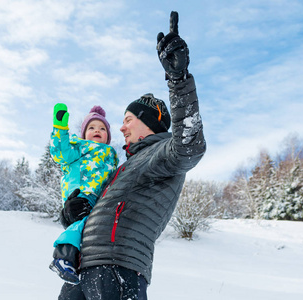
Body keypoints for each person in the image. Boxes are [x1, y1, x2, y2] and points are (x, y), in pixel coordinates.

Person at [56, 11, 206, 299]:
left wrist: (179, 80)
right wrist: (72, 211)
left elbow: (190, 145)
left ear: (147, 121)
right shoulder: (125, 168)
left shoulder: (163, 154)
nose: (121, 127)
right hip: (85, 268)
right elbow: (94, 213)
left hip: (118, 266)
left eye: (128, 119)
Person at [49, 104, 119, 285]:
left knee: (90, 231)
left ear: (108, 136)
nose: (98, 130)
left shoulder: (111, 155)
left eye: (102, 128)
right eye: (92, 127)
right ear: (84, 133)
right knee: (81, 223)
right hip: (81, 192)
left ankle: (78, 262)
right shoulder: (79, 147)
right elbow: (59, 152)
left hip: (98, 200)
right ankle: (63, 257)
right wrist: (60, 128)